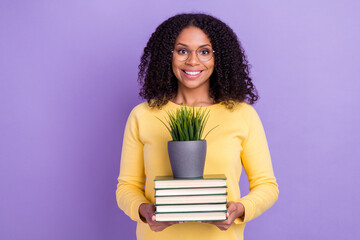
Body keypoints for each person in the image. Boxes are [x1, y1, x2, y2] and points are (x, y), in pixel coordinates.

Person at [116, 13, 279, 240]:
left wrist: (240, 209)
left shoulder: (242, 115)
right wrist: (144, 211)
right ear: (168, 56)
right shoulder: (143, 115)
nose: (193, 61)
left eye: (204, 51)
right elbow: (126, 186)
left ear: (218, 58)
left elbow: (266, 185)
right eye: (182, 51)